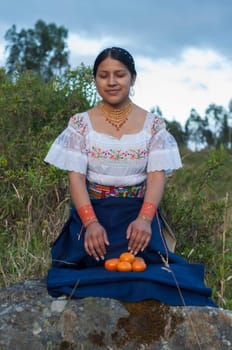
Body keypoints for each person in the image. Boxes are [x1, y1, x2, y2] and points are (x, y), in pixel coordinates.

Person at [44, 47, 216, 307]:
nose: (112, 82)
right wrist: (90, 223)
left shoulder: (153, 126)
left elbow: (157, 176)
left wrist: (145, 220)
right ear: (95, 80)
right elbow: (76, 178)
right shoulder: (80, 125)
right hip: (93, 212)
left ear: (132, 78)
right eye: (103, 75)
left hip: (135, 216)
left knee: (145, 268)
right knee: (83, 268)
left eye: (119, 75)